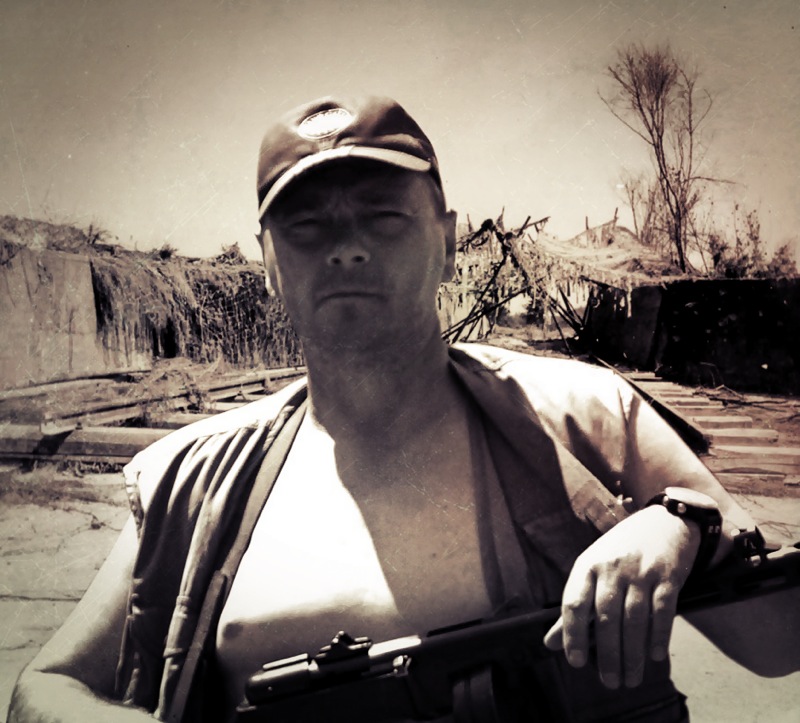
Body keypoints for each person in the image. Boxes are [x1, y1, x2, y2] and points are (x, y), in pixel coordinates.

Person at [8, 95, 798, 723]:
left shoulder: (585, 419)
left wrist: (682, 527)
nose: (345, 245)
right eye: (306, 224)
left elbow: (780, 641)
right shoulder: (194, 481)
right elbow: (42, 690)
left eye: (384, 216)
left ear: (447, 242)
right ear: (269, 264)